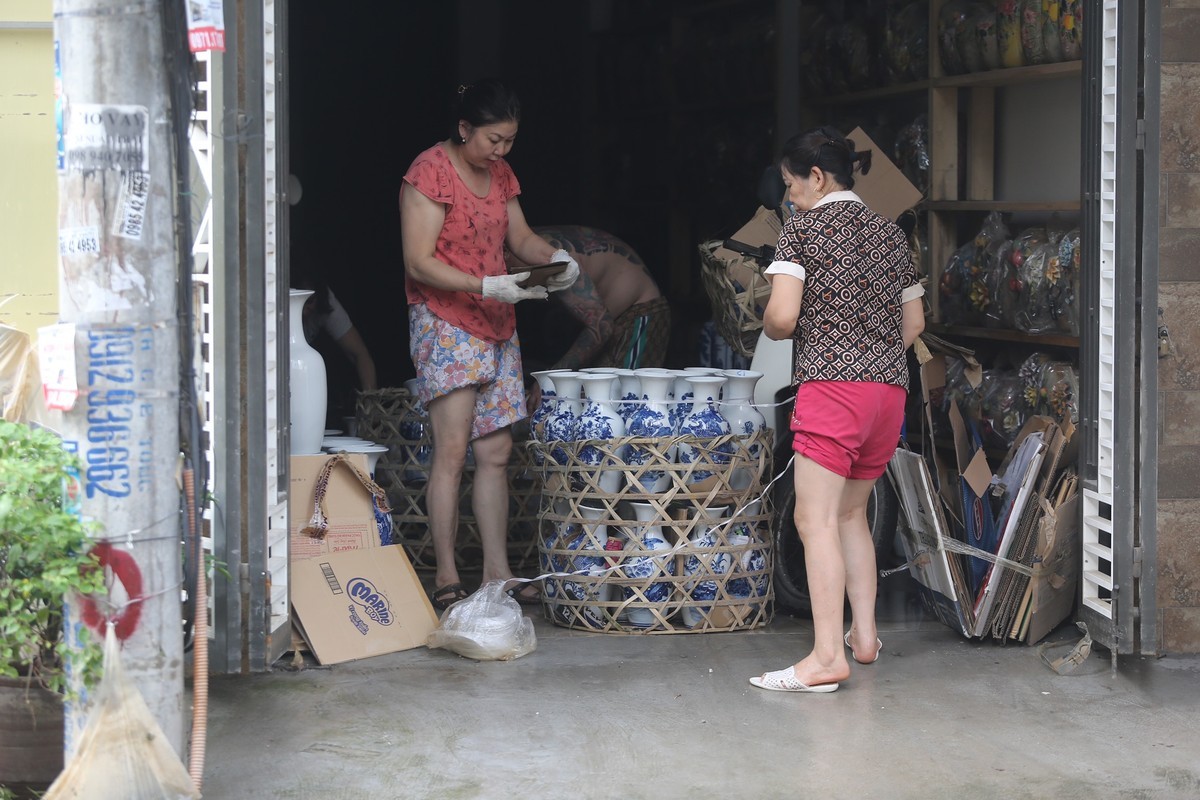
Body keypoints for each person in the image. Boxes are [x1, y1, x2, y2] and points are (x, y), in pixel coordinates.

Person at [750, 127, 925, 693]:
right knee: (851, 515)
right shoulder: (891, 234)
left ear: (818, 178)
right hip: (888, 393)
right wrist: (871, 353)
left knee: (813, 520)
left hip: (833, 388)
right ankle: (866, 637)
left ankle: (827, 656)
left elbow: (779, 319)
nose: (790, 197)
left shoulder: (804, 228)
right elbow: (915, 325)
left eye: (791, 184)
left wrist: (826, 338)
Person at [399, 80, 580, 611]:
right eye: (493, 140)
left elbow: (519, 239)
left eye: (509, 141)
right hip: (447, 320)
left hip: (499, 320)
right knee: (452, 452)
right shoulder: (429, 172)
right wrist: (484, 284)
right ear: (463, 129)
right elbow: (418, 261)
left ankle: (497, 574)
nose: (501, 152)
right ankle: (447, 574)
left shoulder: (500, 173)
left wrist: (556, 259)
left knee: (495, 453)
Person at [507, 226, 670, 371]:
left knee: (625, 397)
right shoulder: (518, 242)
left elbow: (601, 326)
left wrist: (553, 377)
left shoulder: (552, 259)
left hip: (637, 311)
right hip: (599, 321)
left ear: (505, 252)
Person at [295, 272, 378, 393]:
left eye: (309, 301)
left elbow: (359, 354)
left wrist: (371, 402)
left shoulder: (325, 303)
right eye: (297, 301)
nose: (303, 310)